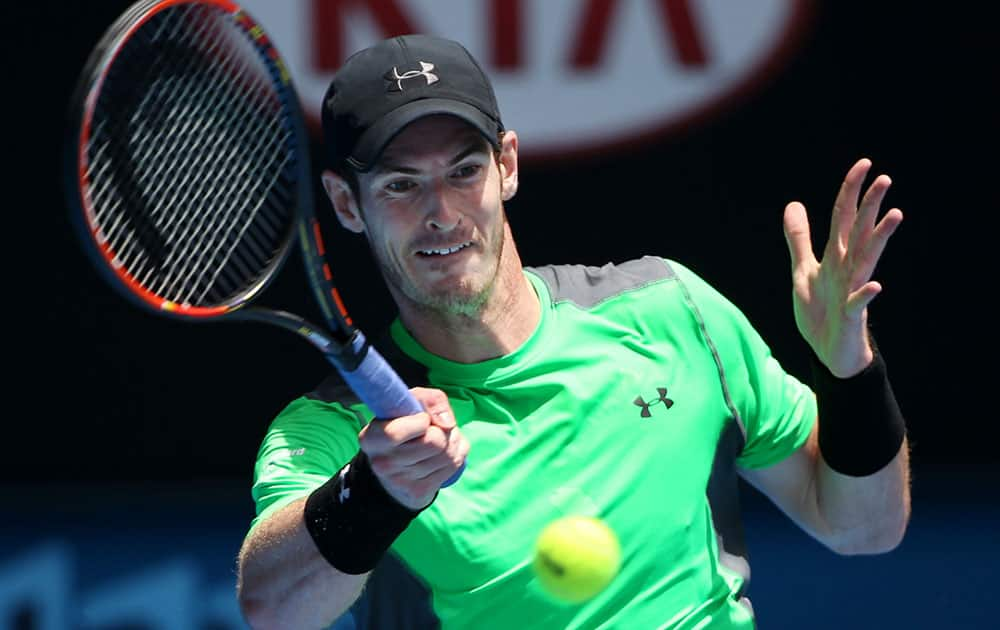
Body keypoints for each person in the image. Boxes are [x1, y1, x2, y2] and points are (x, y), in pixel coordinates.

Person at [235, 34, 910, 629]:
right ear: (348, 203)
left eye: (464, 171)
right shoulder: (330, 431)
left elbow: (864, 527)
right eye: (401, 186)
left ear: (507, 165)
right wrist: (375, 494)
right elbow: (271, 609)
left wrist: (849, 371)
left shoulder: (672, 312)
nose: (441, 212)